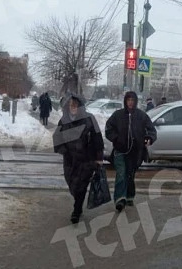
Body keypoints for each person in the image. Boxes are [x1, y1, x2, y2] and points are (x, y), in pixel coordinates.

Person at [53, 94, 104, 224]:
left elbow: (97, 137)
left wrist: (99, 158)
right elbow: (57, 137)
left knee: (81, 185)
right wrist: (63, 150)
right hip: (70, 160)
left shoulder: (89, 119)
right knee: (72, 183)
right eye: (71, 105)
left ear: (80, 106)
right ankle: (78, 202)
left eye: (75, 105)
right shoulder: (64, 120)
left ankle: (76, 210)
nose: (73, 108)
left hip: (87, 159)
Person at [105, 91, 157, 212]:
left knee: (130, 174)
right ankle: (119, 199)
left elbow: (151, 130)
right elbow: (108, 128)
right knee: (121, 173)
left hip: (135, 151)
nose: (130, 103)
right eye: (128, 100)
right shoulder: (118, 115)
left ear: (136, 102)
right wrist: (116, 138)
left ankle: (129, 196)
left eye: (132, 100)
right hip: (120, 150)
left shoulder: (141, 116)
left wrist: (149, 138)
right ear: (125, 101)